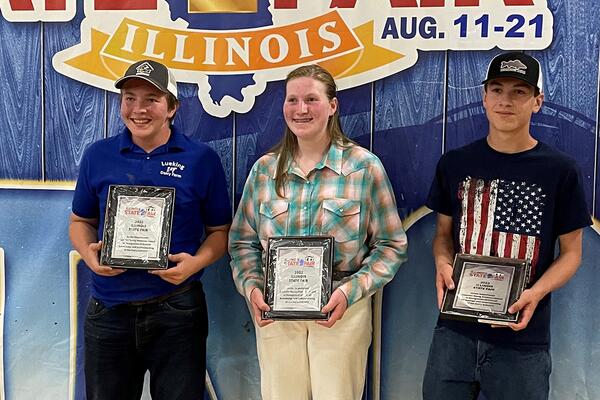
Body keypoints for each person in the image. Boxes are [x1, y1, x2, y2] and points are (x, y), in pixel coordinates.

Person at [228, 64, 408, 400]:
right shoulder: (265, 171)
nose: (301, 109)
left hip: (341, 310)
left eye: (312, 99)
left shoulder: (364, 167)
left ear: (332, 106)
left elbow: (391, 245)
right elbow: (242, 242)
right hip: (276, 312)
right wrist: (251, 288)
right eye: (292, 100)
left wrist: (350, 292)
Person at [422, 52, 592, 399]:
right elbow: (442, 235)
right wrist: (442, 262)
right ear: (484, 97)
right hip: (454, 332)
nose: (505, 100)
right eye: (497, 89)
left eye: (519, 92)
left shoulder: (561, 170)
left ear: (537, 101)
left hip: (522, 338)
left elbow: (572, 253)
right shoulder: (454, 163)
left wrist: (536, 293)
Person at [69, 60, 231, 400]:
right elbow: (80, 222)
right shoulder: (98, 155)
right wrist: (90, 256)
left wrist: (196, 263)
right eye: (129, 98)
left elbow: (220, 231)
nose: (138, 109)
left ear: (172, 107)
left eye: (151, 99)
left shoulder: (201, 159)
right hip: (109, 310)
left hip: (177, 311)